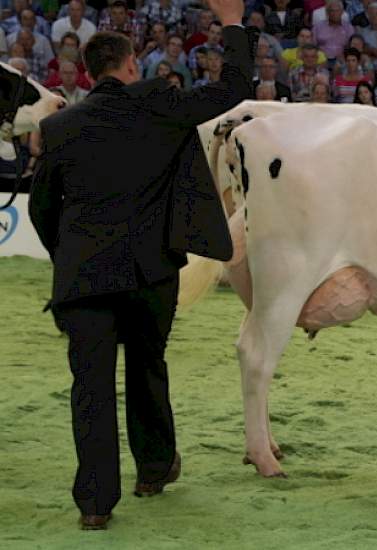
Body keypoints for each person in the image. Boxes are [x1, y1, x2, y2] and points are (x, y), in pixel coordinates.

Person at [27, 0, 254, 531]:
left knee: (90, 388)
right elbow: (234, 88)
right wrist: (233, 25)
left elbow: (42, 210)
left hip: (83, 278)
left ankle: (94, 504)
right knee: (148, 369)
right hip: (150, 273)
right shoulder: (161, 107)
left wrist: (69, 257)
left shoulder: (61, 128)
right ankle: (153, 470)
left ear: (88, 72)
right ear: (130, 67)